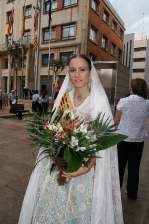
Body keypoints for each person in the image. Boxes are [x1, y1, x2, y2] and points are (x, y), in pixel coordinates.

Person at [19, 54, 123, 224]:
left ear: (90, 73)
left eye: (82, 70)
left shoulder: (99, 100)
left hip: (84, 172)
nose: (77, 75)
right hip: (60, 167)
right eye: (73, 70)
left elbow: (102, 143)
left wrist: (85, 168)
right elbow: (53, 132)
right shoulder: (64, 98)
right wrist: (55, 156)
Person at [114, 78, 149, 200]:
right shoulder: (147, 103)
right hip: (138, 141)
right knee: (134, 168)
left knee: (119, 167)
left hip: (122, 139)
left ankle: (116, 194)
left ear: (132, 89)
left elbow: (116, 121)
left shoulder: (124, 101)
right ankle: (132, 193)